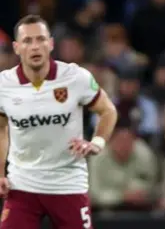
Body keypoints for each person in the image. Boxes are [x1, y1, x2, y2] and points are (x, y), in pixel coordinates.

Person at [0, 14, 118, 229]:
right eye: (27, 41)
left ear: (51, 44)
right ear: (17, 47)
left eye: (40, 39)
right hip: (22, 184)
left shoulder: (75, 78)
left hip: (68, 183)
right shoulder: (4, 85)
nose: (35, 47)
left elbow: (108, 110)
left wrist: (97, 143)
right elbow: (1, 130)